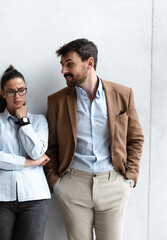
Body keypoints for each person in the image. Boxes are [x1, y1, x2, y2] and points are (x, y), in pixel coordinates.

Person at [44, 38, 144, 240]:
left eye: (69, 64)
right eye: (62, 65)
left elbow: (135, 138)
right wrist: (56, 183)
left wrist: (130, 177)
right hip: (73, 185)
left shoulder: (123, 94)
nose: (63, 71)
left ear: (89, 63)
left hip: (113, 184)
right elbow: (51, 145)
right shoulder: (57, 100)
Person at [0, 65, 50, 240]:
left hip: (34, 197)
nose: (17, 96)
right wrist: (29, 163)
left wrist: (24, 121)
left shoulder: (39, 120)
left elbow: (36, 152)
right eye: (11, 92)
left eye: (21, 91)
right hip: (0, 199)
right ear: (3, 93)